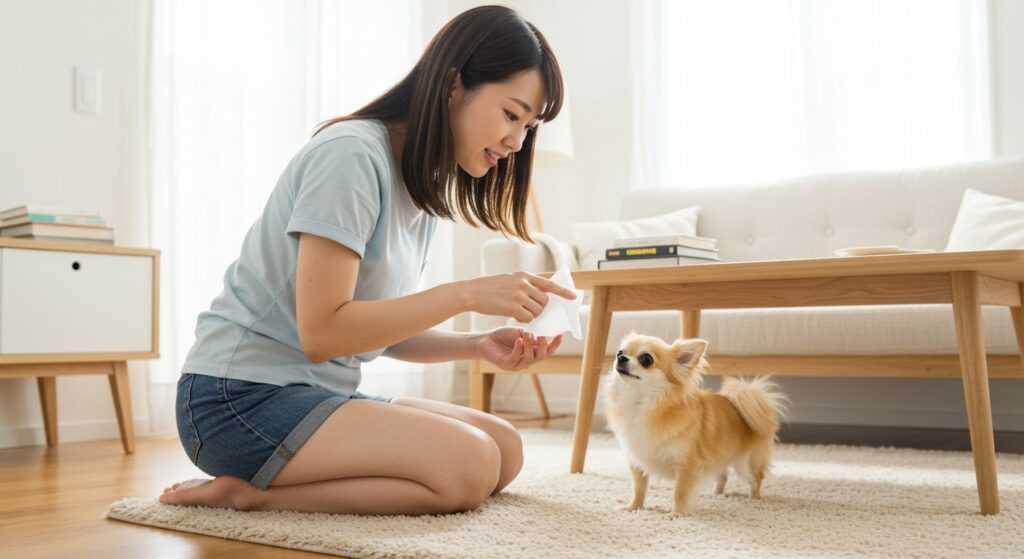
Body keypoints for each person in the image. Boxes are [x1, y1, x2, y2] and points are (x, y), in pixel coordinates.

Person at [158, 5, 573, 516]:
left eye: (529, 126)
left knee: (505, 448)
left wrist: (476, 344)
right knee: (470, 465)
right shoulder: (351, 155)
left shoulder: (420, 185)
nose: (517, 142)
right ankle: (252, 496)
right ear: (453, 85)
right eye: (512, 115)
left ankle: (259, 487)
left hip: (313, 397)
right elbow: (324, 333)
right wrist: (464, 294)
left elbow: (373, 328)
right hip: (237, 399)